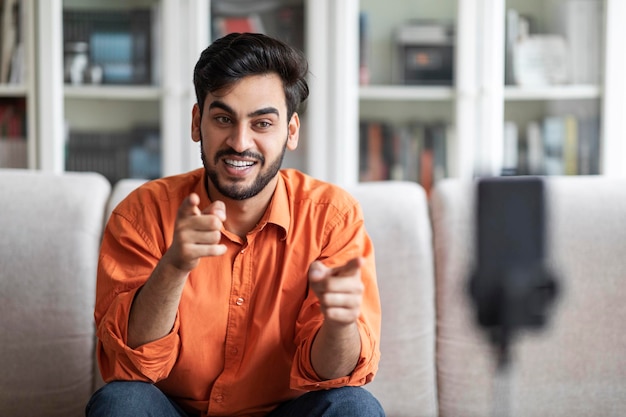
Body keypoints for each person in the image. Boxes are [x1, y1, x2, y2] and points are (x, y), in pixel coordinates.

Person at [86, 32, 384, 417]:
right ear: (198, 123)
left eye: (262, 123)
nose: (240, 142)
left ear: (291, 131)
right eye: (224, 119)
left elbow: (333, 375)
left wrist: (340, 322)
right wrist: (173, 267)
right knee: (120, 403)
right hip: (174, 410)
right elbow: (130, 364)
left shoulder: (332, 218)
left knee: (354, 407)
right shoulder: (141, 214)